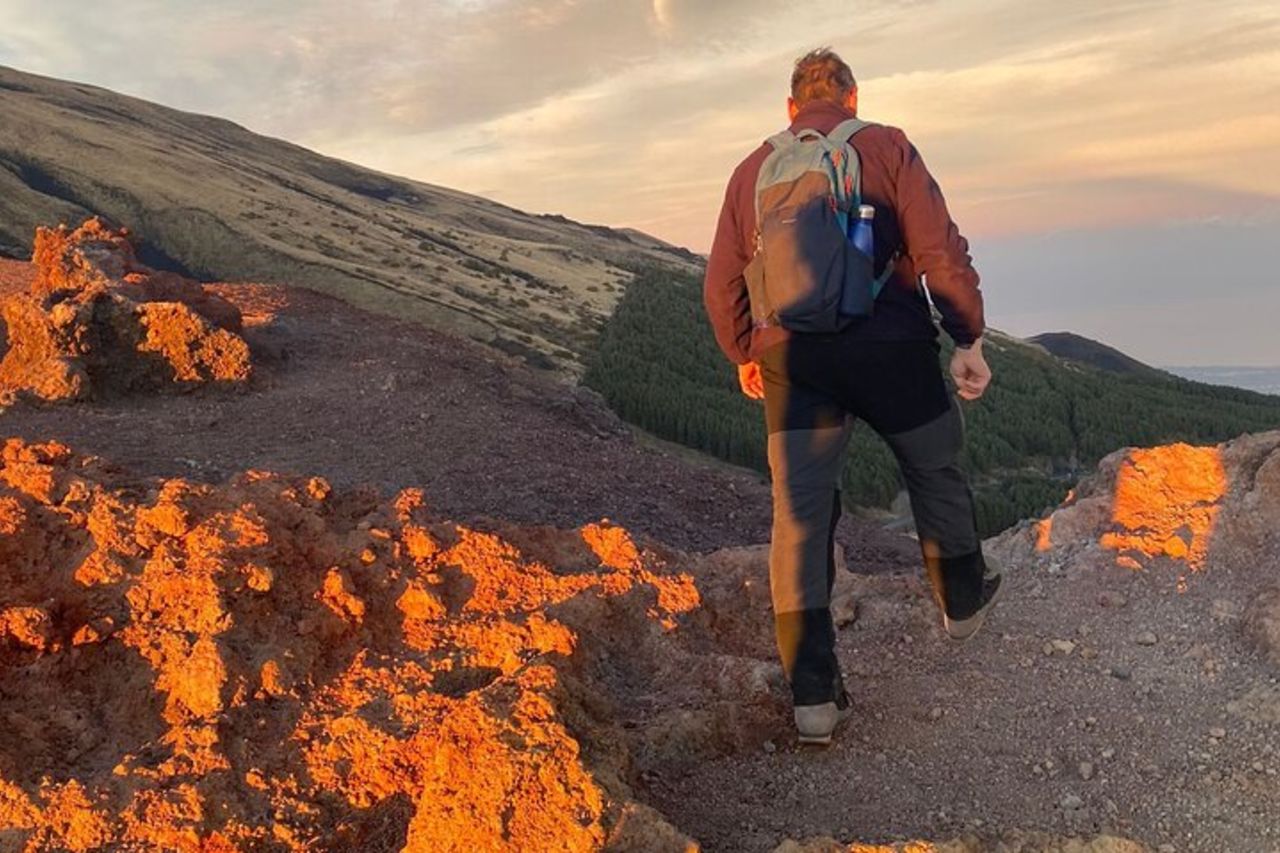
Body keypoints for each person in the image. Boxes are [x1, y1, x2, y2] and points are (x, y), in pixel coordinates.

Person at [702, 48, 1003, 745]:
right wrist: (968, 337)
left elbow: (721, 281)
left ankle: (813, 697)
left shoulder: (752, 170)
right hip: (892, 346)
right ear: (853, 96)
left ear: (789, 107)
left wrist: (748, 350)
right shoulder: (888, 147)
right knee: (934, 465)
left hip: (795, 361)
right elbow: (940, 253)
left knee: (799, 517)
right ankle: (961, 603)